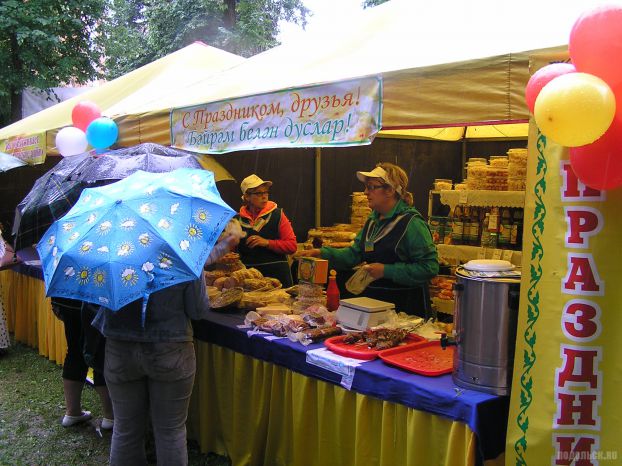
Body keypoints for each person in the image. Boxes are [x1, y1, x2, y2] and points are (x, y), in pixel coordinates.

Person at [91, 234, 239, 466]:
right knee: (170, 430)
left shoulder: (109, 249)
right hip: (172, 349)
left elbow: (95, 301)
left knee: (126, 428)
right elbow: (198, 310)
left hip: (120, 349)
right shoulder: (183, 252)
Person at [297, 162, 439, 316]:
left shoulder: (412, 224)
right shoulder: (373, 222)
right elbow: (354, 254)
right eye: (366, 187)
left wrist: (386, 271)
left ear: (390, 190)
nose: (365, 192)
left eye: (371, 187)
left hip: (407, 308)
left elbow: (429, 268)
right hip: (375, 304)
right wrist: (321, 253)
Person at [50, 297, 114, 429]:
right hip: (94, 301)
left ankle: (72, 412)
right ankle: (110, 416)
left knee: (75, 352)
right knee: (99, 354)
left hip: (68, 299)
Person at [235, 174, 297, 287]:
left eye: (266, 192)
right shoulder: (236, 220)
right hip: (248, 280)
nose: (264, 196)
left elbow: (292, 246)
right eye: (259, 193)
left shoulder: (277, 215)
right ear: (247, 197)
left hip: (277, 277)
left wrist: (267, 243)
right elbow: (232, 251)